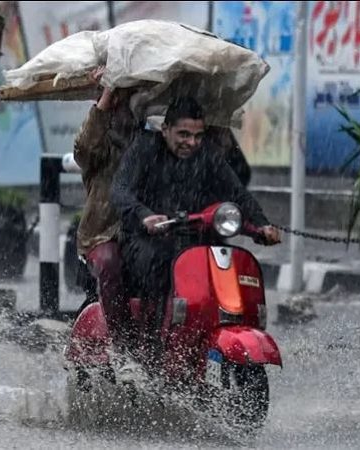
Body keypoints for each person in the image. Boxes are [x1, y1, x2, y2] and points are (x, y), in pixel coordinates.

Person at [110, 97, 280, 337]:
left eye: (198, 136)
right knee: (160, 263)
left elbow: (238, 194)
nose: (191, 143)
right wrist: (144, 216)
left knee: (228, 263)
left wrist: (262, 225)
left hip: (195, 238)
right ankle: (151, 342)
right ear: (165, 129)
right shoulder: (144, 149)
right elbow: (119, 190)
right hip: (145, 240)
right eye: (183, 135)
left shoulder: (208, 155)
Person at [73, 67, 143, 354]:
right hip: (103, 234)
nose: (127, 106)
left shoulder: (151, 140)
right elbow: (84, 150)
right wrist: (107, 95)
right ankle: (123, 348)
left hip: (146, 232)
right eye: (122, 97)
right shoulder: (100, 148)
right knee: (110, 262)